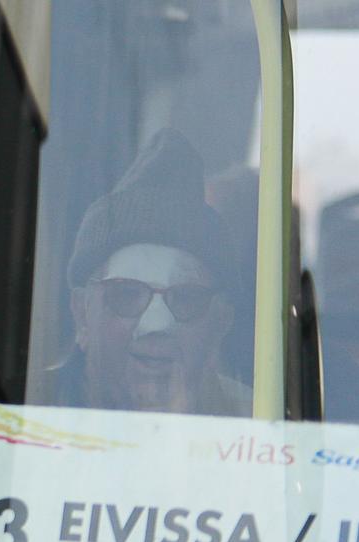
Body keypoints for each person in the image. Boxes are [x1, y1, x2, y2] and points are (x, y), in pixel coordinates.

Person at [44, 130, 251, 416]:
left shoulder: (258, 425)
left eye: (187, 299)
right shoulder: (16, 410)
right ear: (82, 313)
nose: (157, 325)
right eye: (126, 294)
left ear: (220, 324)